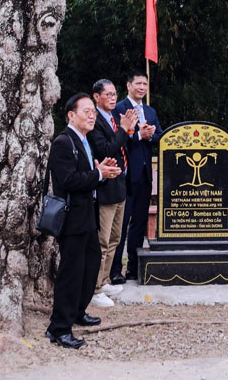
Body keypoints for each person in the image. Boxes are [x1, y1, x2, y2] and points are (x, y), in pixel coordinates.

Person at [45, 92, 121, 349]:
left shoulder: (84, 142)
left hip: (88, 216)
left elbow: (88, 176)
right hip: (72, 219)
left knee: (89, 269)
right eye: (86, 111)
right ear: (71, 115)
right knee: (71, 273)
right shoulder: (63, 142)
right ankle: (59, 328)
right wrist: (98, 174)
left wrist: (102, 172)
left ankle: (77, 311)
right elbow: (67, 181)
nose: (92, 115)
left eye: (93, 112)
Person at [87, 79, 139, 307]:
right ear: (96, 97)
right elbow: (105, 149)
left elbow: (121, 148)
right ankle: (94, 287)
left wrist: (125, 129)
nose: (112, 97)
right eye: (107, 94)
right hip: (105, 188)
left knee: (115, 239)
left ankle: (105, 279)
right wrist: (126, 130)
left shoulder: (114, 118)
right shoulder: (94, 121)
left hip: (120, 185)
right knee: (102, 240)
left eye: (114, 93)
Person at [110, 68, 163, 282]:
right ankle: (114, 270)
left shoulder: (150, 111)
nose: (142, 87)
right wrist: (140, 134)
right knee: (120, 225)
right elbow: (117, 139)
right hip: (124, 175)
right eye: (138, 84)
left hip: (144, 175)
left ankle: (134, 268)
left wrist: (149, 135)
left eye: (145, 84)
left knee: (139, 224)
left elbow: (160, 136)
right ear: (129, 86)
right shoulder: (119, 109)